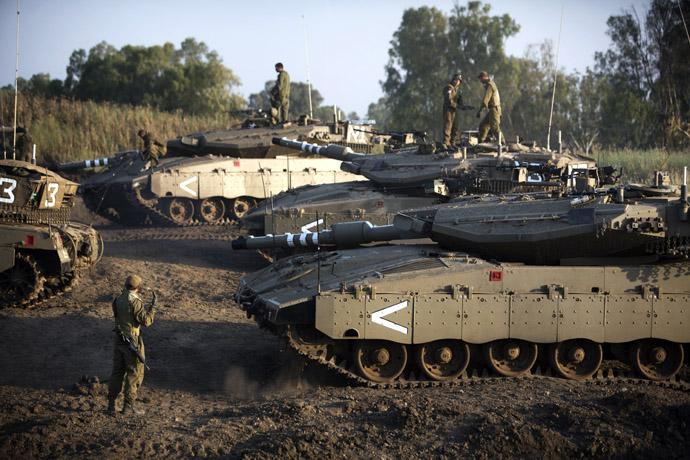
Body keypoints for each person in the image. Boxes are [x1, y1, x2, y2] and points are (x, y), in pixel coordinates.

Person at [107, 275, 158, 415]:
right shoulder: (135, 302)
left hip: (119, 340)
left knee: (117, 372)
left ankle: (111, 404)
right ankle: (128, 406)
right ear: (138, 287)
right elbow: (146, 321)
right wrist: (153, 308)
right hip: (132, 342)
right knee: (133, 373)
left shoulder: (118, 299)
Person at [476, 71, 504, 144]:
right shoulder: (492, 84)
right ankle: (481, 142)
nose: (480, 81)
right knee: (483, 125)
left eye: (480, 79)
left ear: (483, 78)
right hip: (493, 109)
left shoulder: (490, 86)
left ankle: (503, 142)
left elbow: (486, 99)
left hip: (494, 109)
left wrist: (480, 109)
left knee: (494, 128)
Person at [442, 73, 464, 149]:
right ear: (453, 80)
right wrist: (457, 105)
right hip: (448, 109)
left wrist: (463, 106)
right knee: (448, 126)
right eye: (455, 80)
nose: (456, 82)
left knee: (455, 126)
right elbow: (449, 100)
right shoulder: (449, 88)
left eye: (458, 81)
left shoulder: (457, 89)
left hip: (454, 110)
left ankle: (452, 143)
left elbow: (459, 101)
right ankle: (446, 143)